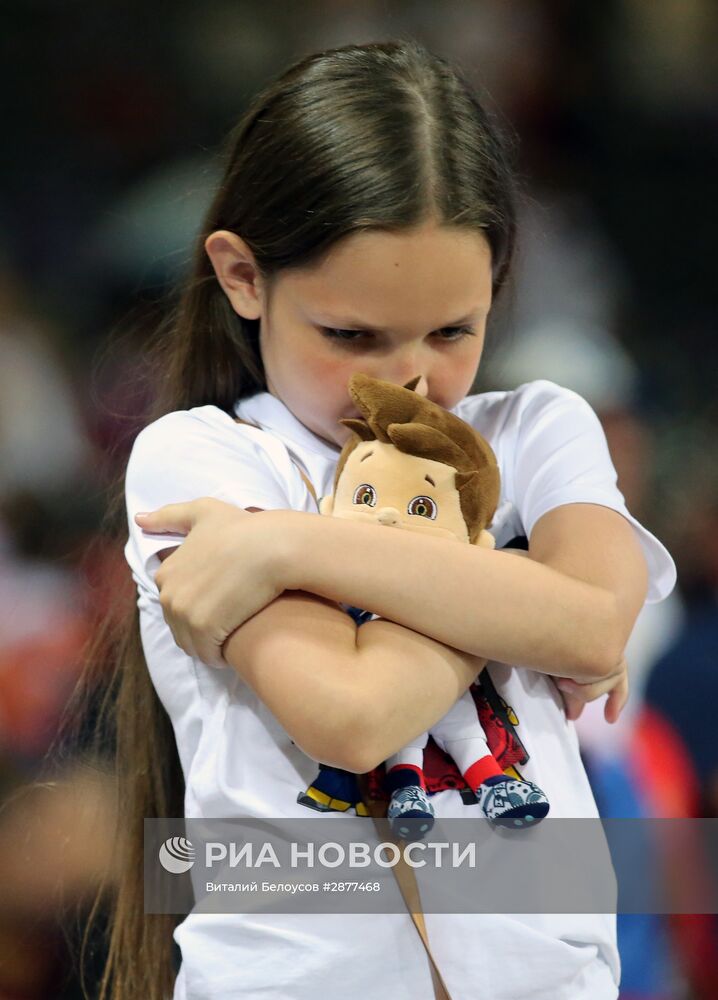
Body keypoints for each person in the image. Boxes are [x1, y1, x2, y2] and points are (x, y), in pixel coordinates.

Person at [97, 39, 677, 1000]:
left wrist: (290, 543)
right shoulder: (201, 460)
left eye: (454, 330)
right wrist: (512, 587)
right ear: (243, 277)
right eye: (352, 335)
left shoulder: (539, 428)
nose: (410, 378)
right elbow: (356, 718)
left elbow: (596, 624)